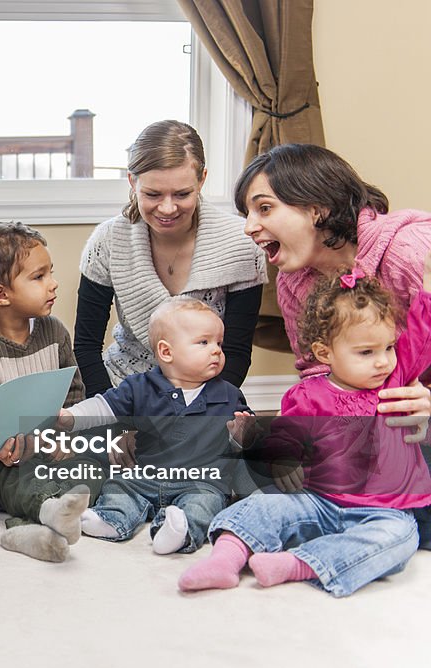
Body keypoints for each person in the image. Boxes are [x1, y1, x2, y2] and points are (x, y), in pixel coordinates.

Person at [178, 260, 431, 596]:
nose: (383, 361)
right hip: (317, 500)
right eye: (366, 352)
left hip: (384, 511)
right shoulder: (308, 395)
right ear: (324, 352)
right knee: (262, 505)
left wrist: (408, 270)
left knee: (400, 539)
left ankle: (298, 564)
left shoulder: (395, 382)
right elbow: (285, 437)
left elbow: (421, 319)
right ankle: (225, 559)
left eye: (388, 348)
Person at [236, 142, 431, 433]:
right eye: (247, 213)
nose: (249, 227)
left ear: (317, 209)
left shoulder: (412, 250)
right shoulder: (292, 284)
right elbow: (320, 371)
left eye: (265, 208)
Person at [74, 120, 267, 397]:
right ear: (132, 181)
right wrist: (110, 411)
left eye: (182, 194)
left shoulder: (241, 243)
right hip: (121, 389)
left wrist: (197, 410)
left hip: (206, 396)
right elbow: (86, 345)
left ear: (201, 180)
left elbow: (236, 351)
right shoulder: (107, 242)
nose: (167, 208)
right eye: (153, 194)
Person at [59, 298, 255, 556]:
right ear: (166, 352)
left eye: (219, 343)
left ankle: (180, 531)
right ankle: (111, 519)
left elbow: (246, 441)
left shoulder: (229, 394)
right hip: (146, 475)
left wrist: (244, 436)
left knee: (205, 504)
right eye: (204, 342)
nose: (216, 350)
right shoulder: (140, 387)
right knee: (119, 485)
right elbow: (104, 407)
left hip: (201, 482)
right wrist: (71, 417)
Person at [0, 221, 95, 562]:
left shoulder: (55, 331)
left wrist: (68, 437)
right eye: (39, 277)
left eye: (50, 273)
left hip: (53, 447)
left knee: (100, 462)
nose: (53, 284)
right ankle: (47, 510)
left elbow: (74, 393)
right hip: (6, 458)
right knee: (21, 480)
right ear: (1, 294)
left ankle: (34, 527)